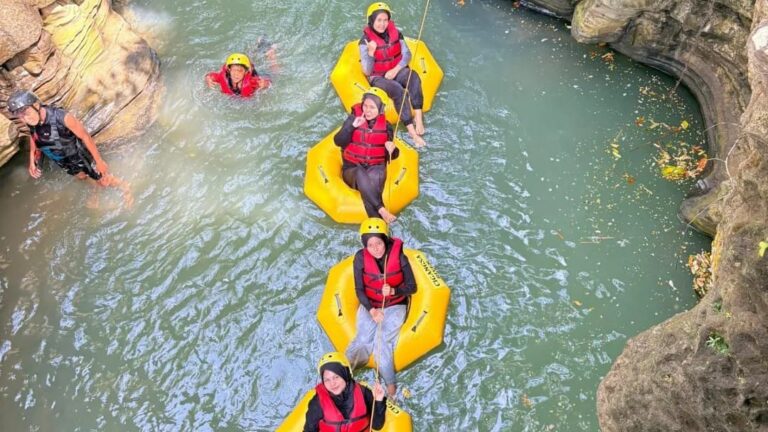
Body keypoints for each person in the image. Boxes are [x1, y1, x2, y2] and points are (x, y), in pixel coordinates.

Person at [7, 90, 133, 206]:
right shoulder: (32, 122)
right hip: (62, 160)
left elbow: (85, 136)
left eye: (26, 113)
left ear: (36, 105)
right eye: (21, 117)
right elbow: (33, 136)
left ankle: (124, 186)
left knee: (102, 178)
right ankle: (95, 187)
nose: (25, 119)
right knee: (81, 177)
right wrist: (32, 159)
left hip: (80, 156)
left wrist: (99, 161)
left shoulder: (61, 117)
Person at [345, 218, 417, 400]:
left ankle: (391, 387)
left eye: (379, 243)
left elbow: (412, 287)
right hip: (371, 305)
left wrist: (394, 290)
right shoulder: (360, 259)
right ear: (365, 246)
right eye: (371, 245)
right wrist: (372, 310)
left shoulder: (400, 257)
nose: (376, 248)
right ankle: (345, 375)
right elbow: (359, 290)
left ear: (385, 240)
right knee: (362, 340)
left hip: (395, 304)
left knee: (381, 341)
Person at [359, 2, 426, 147]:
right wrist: (370, 53)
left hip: (395, 69)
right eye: (379, 20)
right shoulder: (364, 42)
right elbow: (367, 71)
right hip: (378, 77)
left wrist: (396, 69)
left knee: (412, 76)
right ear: (371, 21)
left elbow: (406, 54)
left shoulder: (396, 33)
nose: (382, 24)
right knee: (397, 89)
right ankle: (412, 132)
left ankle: (419, 118)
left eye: (385, 20)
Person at [334, 88, 399, 224]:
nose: (367, 110)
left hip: (374, 169)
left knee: (375, 175)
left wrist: (393, 149)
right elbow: (338, 141)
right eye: (365, 106)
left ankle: (378, 224)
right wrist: (351, 127)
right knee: (359, 172)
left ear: (380, 109)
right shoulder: (353, 119)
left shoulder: (386, 127)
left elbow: (391, 157)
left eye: (372, 107)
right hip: (352, 170)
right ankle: (381, 209)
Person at [303, 351, 386, 432]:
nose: (332, 383)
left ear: (345, 374)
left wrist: (378, 401)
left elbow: (377, 426)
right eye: (327, 379)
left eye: (336, 377)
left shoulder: (364, 394)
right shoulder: (317, 404)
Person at [205, 52, 271, 97]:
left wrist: (265, 84)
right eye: (233, 70)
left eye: (240, 71)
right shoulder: (223, 77)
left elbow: (267, 82)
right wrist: (208, 79)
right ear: (229, 70)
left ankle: (271, 53)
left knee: (275, 72)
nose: (236, 74)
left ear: (245, 72)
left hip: (259, 74)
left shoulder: (251, 81)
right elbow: (210, 76)